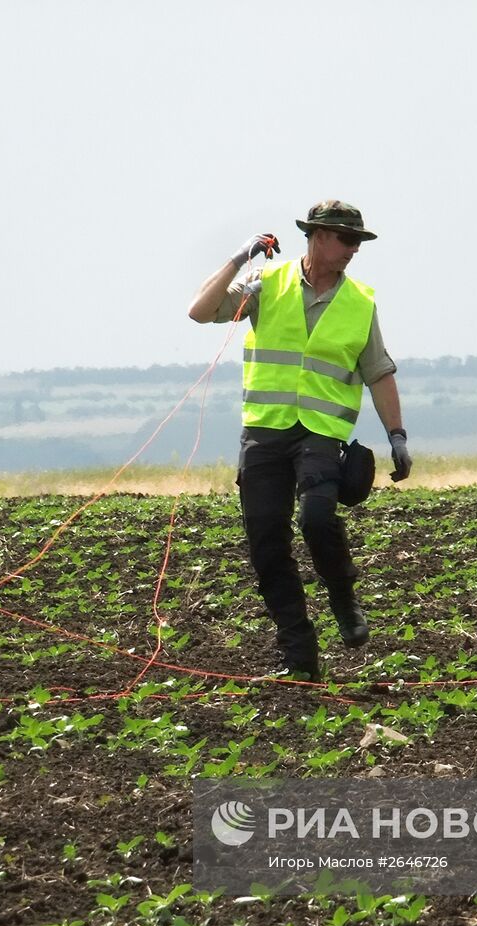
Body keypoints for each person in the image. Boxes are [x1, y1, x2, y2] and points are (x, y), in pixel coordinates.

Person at [188, 200, 412, 681]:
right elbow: (199, 311)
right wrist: (239, 256)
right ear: (317, 236)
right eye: (346, 239)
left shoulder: (360, 303)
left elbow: (380, 373)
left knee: (316, 519)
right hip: (265, 434)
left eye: (358, 241)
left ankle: (342, 595)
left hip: (321, 433)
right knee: (266, 543)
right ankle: (299, 658)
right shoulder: (267, 286)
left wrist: (397, 436)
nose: (353, 249)